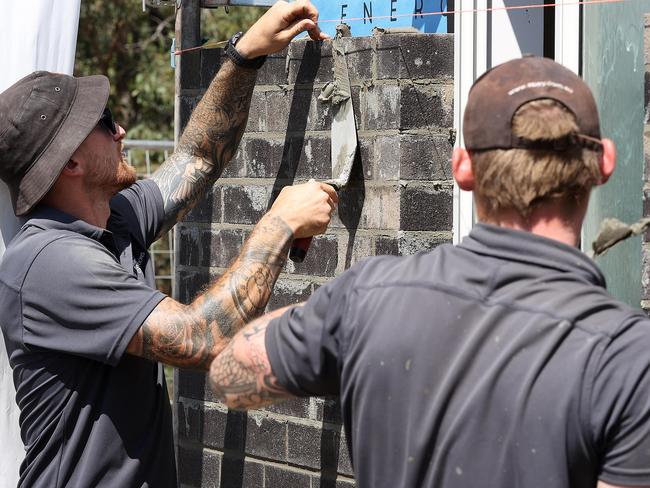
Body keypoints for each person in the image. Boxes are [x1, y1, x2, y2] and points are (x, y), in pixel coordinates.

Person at [209, 56, 650, 488]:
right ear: (605, 163)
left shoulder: (367, 298)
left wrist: (342, 314)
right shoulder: (630, 359)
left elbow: (230, 375)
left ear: (463, 168)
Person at [0, 1, 336, 486]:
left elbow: (197, 157)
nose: (120, 130)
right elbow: (202, 337)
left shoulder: (111, 220)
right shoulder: (50, 264)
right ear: (69, 164)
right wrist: (278, 225)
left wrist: (245, 55)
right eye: (103, 121)